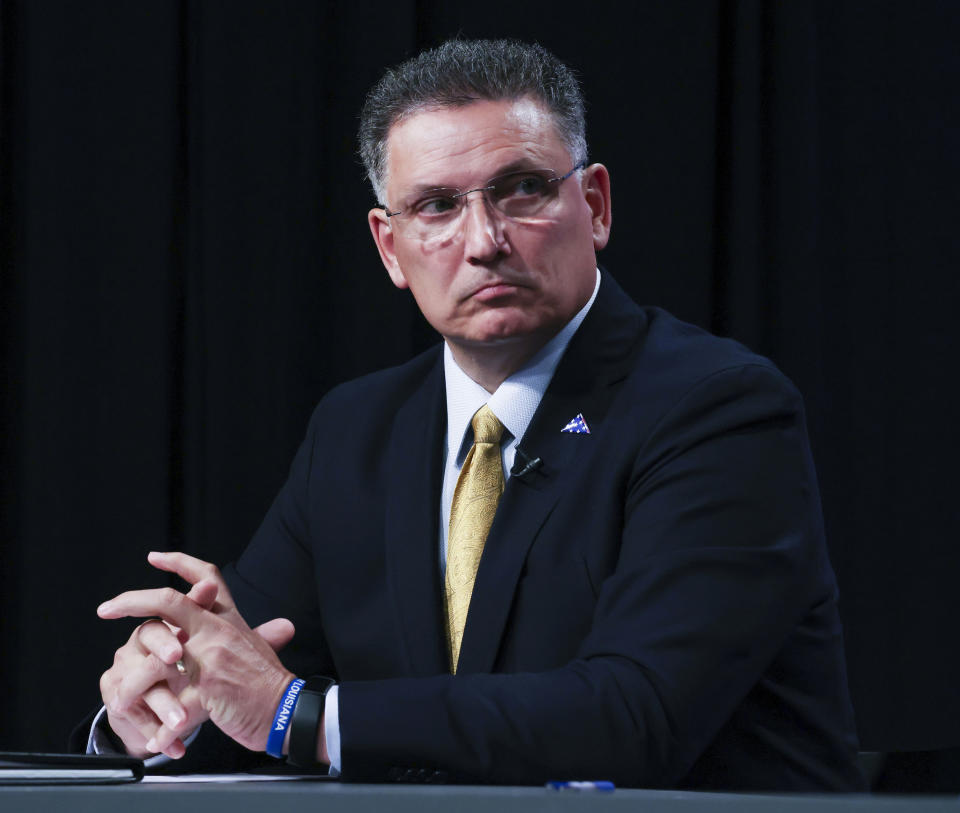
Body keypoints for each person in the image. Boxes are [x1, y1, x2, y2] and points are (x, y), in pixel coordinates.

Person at [87, 39, 864, 790]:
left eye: (521, 189)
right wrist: (159, 709)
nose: (484, 240)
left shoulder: (717, 408)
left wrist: (299, 712)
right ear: (390, 248)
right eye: (436, 206)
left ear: (593, 205)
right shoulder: (357, 431)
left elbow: (637, 715)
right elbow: (245, 686)